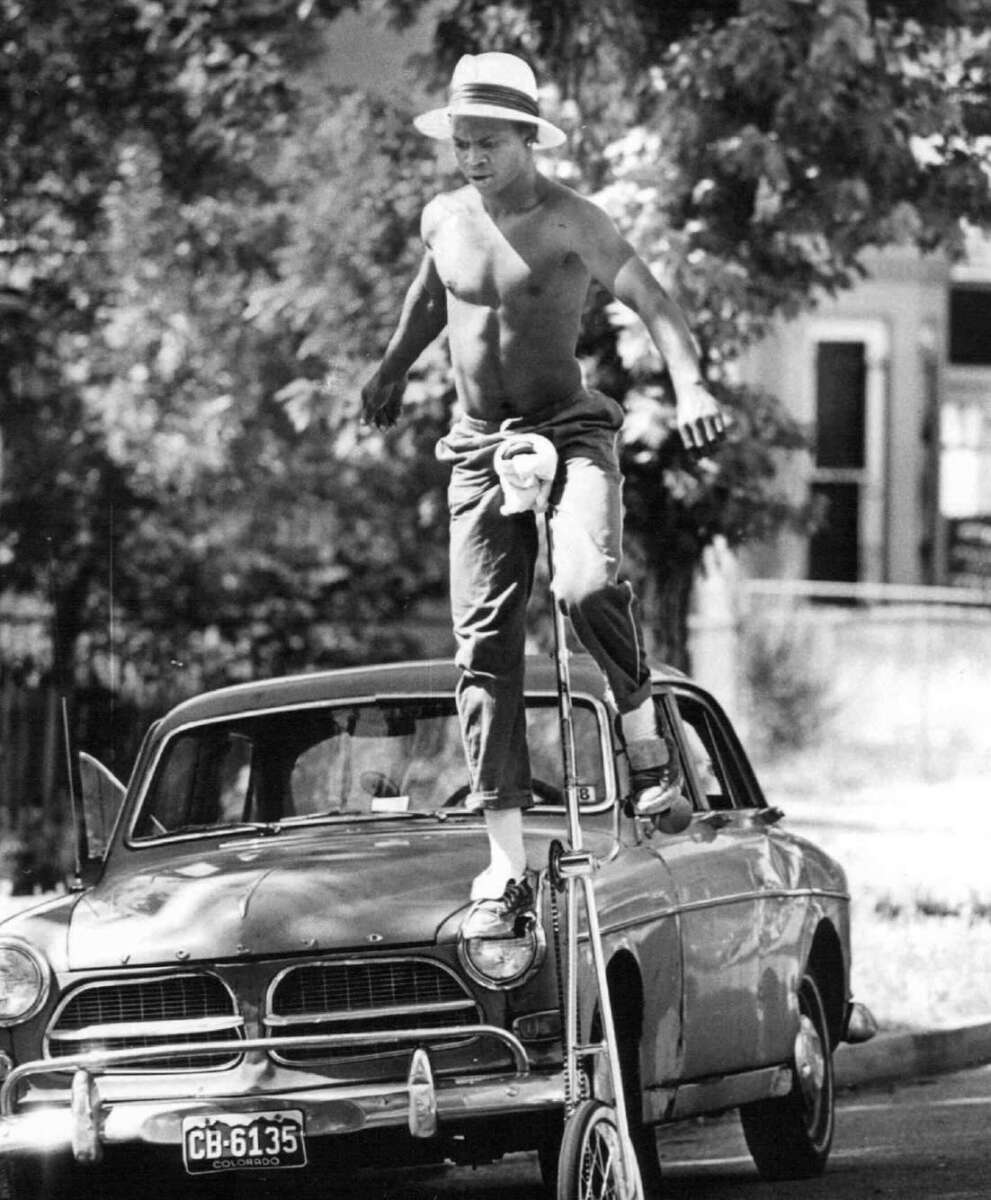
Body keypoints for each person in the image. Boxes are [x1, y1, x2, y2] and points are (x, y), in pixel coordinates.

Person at [361, 52, 728, 934]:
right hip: (479, 446)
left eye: (488, 142)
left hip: (569, 431)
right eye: (461, 142)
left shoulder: (573, 221)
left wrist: (692, 388)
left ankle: (644, 731)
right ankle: (504, 858)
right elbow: (428, 300)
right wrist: (387, 371)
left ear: (526, 137)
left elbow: (654, 300)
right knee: (481, 640)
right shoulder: (442, 216)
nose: (472, 157)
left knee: (584, 586)